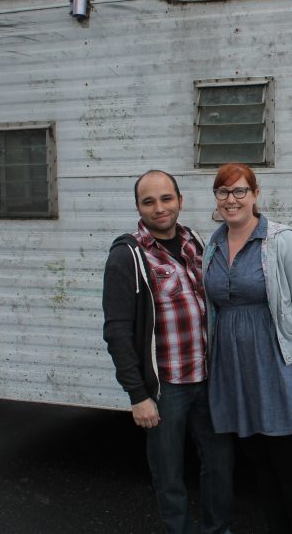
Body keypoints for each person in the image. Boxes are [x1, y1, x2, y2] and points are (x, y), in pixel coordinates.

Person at [203, 163, 292, 534]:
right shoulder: (211, 245)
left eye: (239, 191)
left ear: (255, 194)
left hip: (282, 368)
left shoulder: (283, 241)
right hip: (239, 372)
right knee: (262, 468)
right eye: (223, 192)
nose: (232, 200)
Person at [102, 170, 234, 534]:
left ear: (179, 200)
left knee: (219, 465)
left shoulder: (193, 241)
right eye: (149, 201)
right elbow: (117, 331)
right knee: (169, 475)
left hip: (208, 380)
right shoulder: (127, 255)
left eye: (166, 199)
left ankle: (217, 530)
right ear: (138, 207)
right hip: (166, 389)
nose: (159, 208)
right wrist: (138, 394)